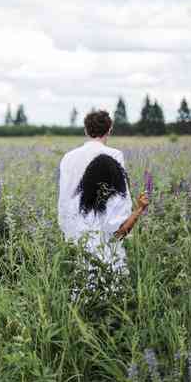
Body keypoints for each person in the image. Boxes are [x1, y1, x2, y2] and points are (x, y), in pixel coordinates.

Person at [58, 110, 149, 274]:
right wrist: (139, 209)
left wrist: (69, 234)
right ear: (109, 130)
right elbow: (118, 218)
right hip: (105, 241)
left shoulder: (68, 157)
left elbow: (64, 201)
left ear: (86, 130)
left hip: (78, 237)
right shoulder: (114, 156)